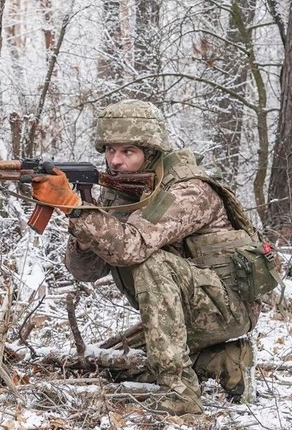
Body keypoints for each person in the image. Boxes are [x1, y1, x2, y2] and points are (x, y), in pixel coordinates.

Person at [31, 99, 275, 415]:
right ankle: (225, 361)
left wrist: (76, 209)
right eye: (109, 150)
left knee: (150, 261)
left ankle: (181, 396)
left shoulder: (187, 190)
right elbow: (86, 271)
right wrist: (82, 228)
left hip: (227, 308)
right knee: (111, 363)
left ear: (152, 152)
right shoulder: (121, 191)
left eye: (127, 152)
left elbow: (133, 247)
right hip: (184, 311)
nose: (115, 161)